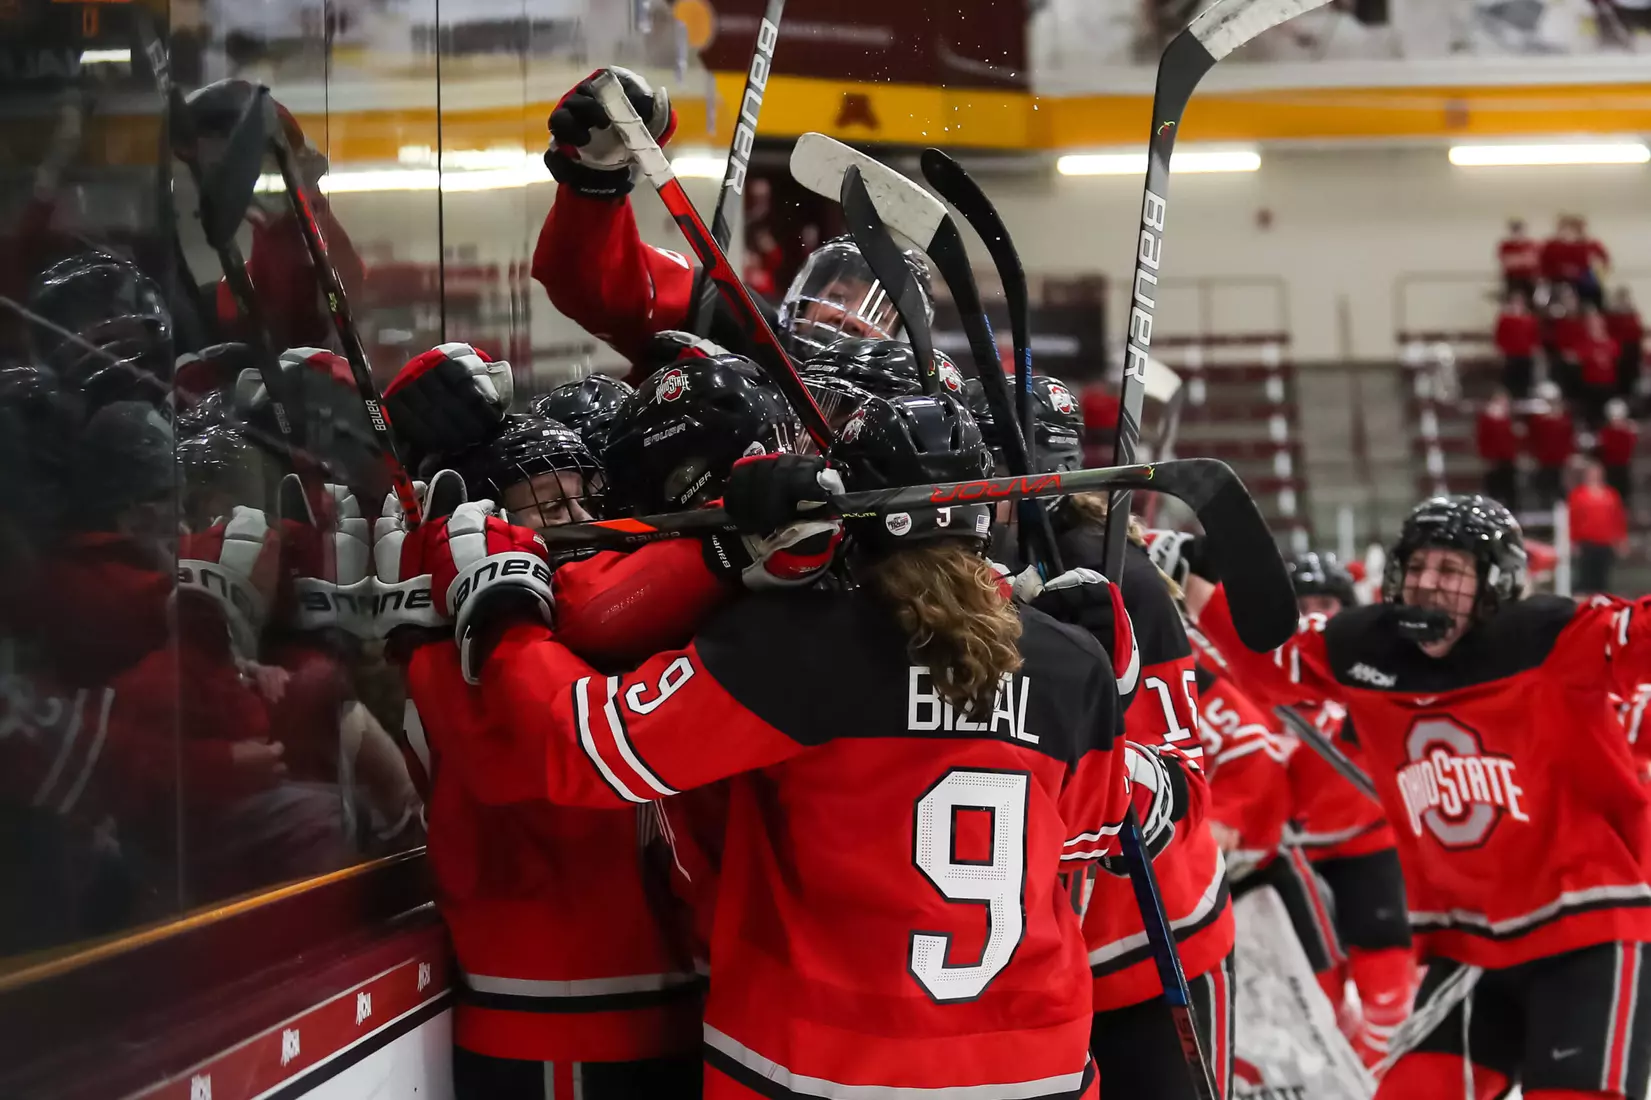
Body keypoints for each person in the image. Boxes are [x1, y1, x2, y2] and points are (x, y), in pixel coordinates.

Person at [398, 390, 1197, 1100]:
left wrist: (503, 615)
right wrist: (1110, 688)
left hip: (816, 1068)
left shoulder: (797, 646)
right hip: (1034, 1073)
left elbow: (587, 747)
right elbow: (1104, 830)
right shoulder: (1065, 660)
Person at [1187, 495, 1651, 1100]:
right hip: (1470, 951)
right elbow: (1265, 655)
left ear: (1496, 584)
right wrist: (1196, 573)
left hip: (1588, 935)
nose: (1429, 585)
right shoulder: (1366, 648)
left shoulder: (1552, 638)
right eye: (1419, 566)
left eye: (1452, 571)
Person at [530, 66, 924, 376]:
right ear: (799, 305)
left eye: (879, 316)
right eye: (837, 298)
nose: (850, 319)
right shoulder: (727, 315)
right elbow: (594, 285)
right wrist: (595, 181)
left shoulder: (913, 424)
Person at [1568, 459, 1630, 595]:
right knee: (1586, 579)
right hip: (1587, 543)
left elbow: (1618, 518)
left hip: (1606, 543)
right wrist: (1573, 541)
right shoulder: (1578, 495)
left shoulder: (1611, 494)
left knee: (1603, 579)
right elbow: (1573, 519)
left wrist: (1621, 540)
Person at [1526, 381, 1575, 511]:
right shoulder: (1538, 421)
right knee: (1544, 489)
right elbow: (1532, 439)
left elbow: (1568, 438)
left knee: (1559, 489)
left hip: (1560, 461)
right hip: (1542, 461)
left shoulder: (1564, 420)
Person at [1574, 307, 1622, 430]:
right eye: (1591, 323)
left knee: (1607, 413)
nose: (1595, 325)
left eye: (1597, 322)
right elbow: (1579, 357)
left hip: (1608, 384)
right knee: (1592, 415)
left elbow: (1615, 357)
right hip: (1590, 384)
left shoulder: (1611, 343)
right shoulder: (1584, 342)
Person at [1476, 388, 1522, 510]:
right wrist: (1486, 457)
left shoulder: (1509, 420)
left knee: (1510, 489)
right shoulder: (1487, 419)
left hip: (1508, 459)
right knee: (1493, 489)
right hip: (1493, 460)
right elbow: (1483, 439)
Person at [1493, 292, 1541, 400]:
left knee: (1525, 382)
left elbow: (1535, 337)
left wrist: (1534, 348)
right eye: (1514, 302)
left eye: (1519, 303)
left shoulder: (1530, 320)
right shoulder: (1505, 319)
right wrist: (1500, 350)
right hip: (1510, 355)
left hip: (1525, 355)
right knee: (1509, 382)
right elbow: (1499, 336)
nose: (1517, 305)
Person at [1607, 288, 1644, 404]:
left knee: (1633, 375)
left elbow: (1638, 332)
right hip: (1620, 348)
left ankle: (1631, 397)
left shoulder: (1633, 314)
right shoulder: (1613, 316)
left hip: (1634, 348)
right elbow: (1611, 333)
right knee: (1622, 375)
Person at [1599, 398, 1639, 506]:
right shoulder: (1606, 432)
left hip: (1626, 467)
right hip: (1611, 467)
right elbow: (1605, 447)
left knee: (1625, 495)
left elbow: (1633, 447)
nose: (1616, 422)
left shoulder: (1629, 432)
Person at [1496, 218, 1541, 303]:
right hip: (1512, 278)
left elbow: (1533, 261)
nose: (1517, 234)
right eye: (1515, 231)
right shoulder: (1506, 246)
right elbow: (1506, 262)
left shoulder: (1531, 244)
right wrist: (1522, 259)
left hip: (1529, 278)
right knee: (1511, 301)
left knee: (1530, 302)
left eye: (1519, 230)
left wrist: (1516, 259)